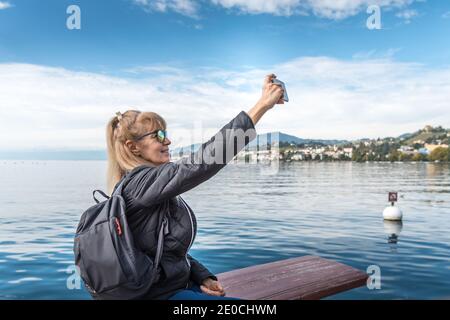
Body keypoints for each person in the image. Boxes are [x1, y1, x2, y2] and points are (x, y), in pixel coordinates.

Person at [105, 74, 285, 300]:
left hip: (172, 288)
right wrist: (261, 106)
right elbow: (201, 163)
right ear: (133, 147)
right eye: (158, 135)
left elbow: (161, 251)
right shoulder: (139, 183)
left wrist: (202, 276)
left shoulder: (148, 186)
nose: (167, 141)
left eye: (166, 133)